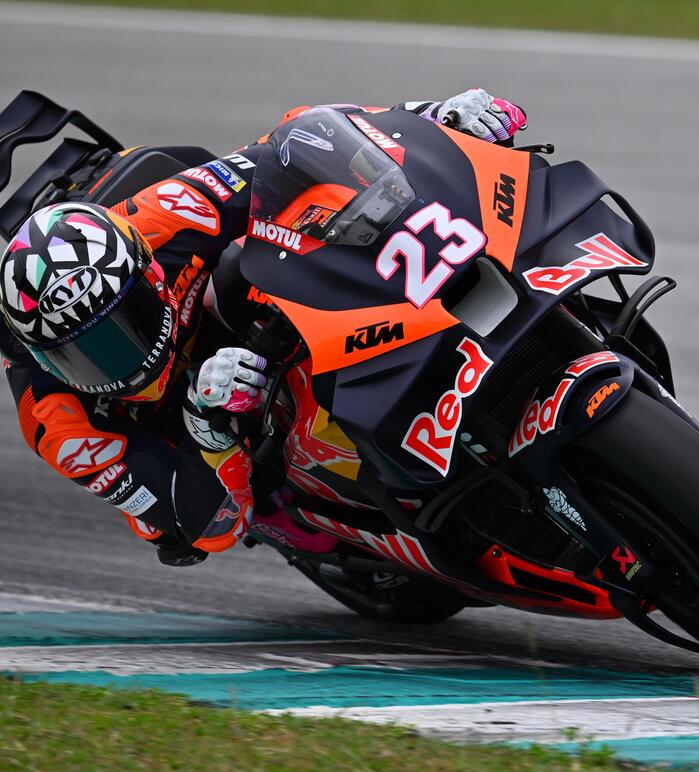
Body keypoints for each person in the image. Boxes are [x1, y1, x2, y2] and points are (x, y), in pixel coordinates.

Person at [0, 89, 527, 567]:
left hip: (239, 314)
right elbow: (206, 526)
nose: (120, 359)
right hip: (188, 432)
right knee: (216, 518)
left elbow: (298, 143)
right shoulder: (56, 423)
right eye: (83, 353)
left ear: (149, 274)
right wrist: (204, 424)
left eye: (124, 325)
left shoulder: (164, 219)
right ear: (43, 355)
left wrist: (431, 118)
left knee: (313, 223)